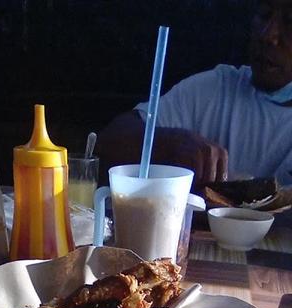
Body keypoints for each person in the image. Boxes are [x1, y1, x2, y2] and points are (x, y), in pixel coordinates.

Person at [97, 0, 292, 187]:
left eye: (289, 21)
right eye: (264, 14)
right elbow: (106, 145)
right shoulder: (217, 88)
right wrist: (169, 143)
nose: (268, 35)